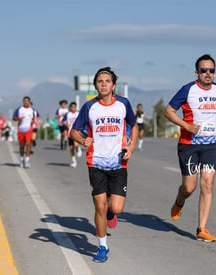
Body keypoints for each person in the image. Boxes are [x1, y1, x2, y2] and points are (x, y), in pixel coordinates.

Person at [70, 67, 138, 263]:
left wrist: (131, 146)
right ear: (96, 86)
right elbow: (74, 132)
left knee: (116, 209)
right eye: (100, 81)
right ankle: (102, 247)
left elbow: (133, 125)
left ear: (114, 85)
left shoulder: (123, 104)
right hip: (96, 162)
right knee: (99, 206)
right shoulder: (89, 107)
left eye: (107, 81)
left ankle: (111, 211)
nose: (103, 84)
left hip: (118, 163)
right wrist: (83, 141)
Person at [164, 54, 216, 243]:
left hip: (210, 144)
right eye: (203, 70)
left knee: (207, 183)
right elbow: (168, 111)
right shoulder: (187, 90)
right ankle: (179, 201)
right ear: (197, 72)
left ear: (215, 73)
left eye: (211, 70)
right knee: (189, 187)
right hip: (188, 145)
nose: (207, 73)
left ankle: (202, 228)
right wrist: (185, 125)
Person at [12, 96, 37, 168]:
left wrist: (32, 121)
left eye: (27, 101)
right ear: (23, 102)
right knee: (22, 145)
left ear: (29, 102)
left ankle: (27, 160)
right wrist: (18, 118)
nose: (26, 102)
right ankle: (21, 159)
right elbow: (13, 118)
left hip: (29, 129)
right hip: (21, 129)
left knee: (29, 143)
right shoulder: (19, 109)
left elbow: (33, 118)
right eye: (24, 101)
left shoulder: (32, 110)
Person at [62, 102, 82, 168]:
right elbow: (63, 121)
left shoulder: (78, 114)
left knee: (76, 143)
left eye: (74, 107)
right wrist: (66, 124)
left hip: (76, 131)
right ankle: (74, 162)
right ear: (70, 108)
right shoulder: (67, 114)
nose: (73, 108)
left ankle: (78, 149)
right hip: (69, 132)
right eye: (72, 107)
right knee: (71, 148)